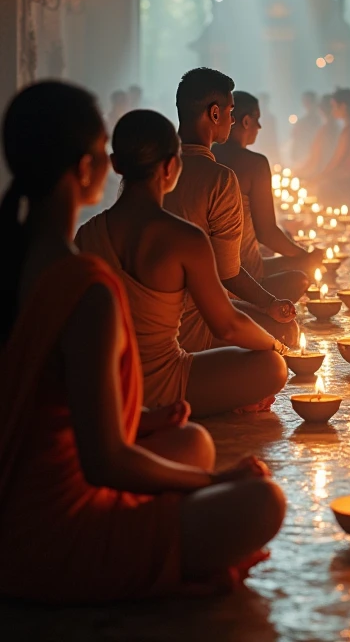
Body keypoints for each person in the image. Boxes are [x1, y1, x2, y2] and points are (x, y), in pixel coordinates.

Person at [0, 81, 285, 604]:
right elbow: (105, 461)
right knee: (261, 501)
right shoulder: (83, 285)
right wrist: (217, 483)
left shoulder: (45, 255)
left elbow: (58, 403)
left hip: (17, 490)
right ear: (90, 168)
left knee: (191, 441)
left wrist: (143, 419)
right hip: (47, 532)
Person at [77, 109, 289, 417]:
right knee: (272, 367)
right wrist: (276, 346)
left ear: (116, 165)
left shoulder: (86, 235)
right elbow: (227, 326)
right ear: (172, 166)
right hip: (165, 383)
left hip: (109, 386)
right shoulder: (184, 238)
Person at [163, 68, 298, 350]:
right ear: (215, 114)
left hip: (149, 317)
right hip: (194, 316)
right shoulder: (218, 177)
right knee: (283, 336)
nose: (232, 120)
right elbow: (228, 273)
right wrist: (269, 303)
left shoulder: (154, 169)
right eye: (230, 111)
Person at [214, 91, 318, 300]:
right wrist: (304, 256)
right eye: (257, 120)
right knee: (303, 274)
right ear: (245, 121)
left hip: (210, 275)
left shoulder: (208, 155)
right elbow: (267, 233)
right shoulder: (255, 164)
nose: (259, 127)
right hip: (242, 278)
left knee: (293, 255)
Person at [314, 87, 350, 206]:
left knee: (322, 189)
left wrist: (320, 176)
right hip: (345, 178)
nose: (332, 111)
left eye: (334, 106)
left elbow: (337, 160)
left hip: (348, 181)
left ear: (344, 106)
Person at [297, 93, 339, 181]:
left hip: (325, 175)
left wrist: (314, 175)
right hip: (322, 173)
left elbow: (320, 156)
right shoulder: (326, 128)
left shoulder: (328, 129)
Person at [290, 90, 320, 168]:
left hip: (314, 155)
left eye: (307, 101)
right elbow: (296, 137)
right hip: (303, 155)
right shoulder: (302, 122)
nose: (305, 104)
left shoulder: (319, 121)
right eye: (305, 101)